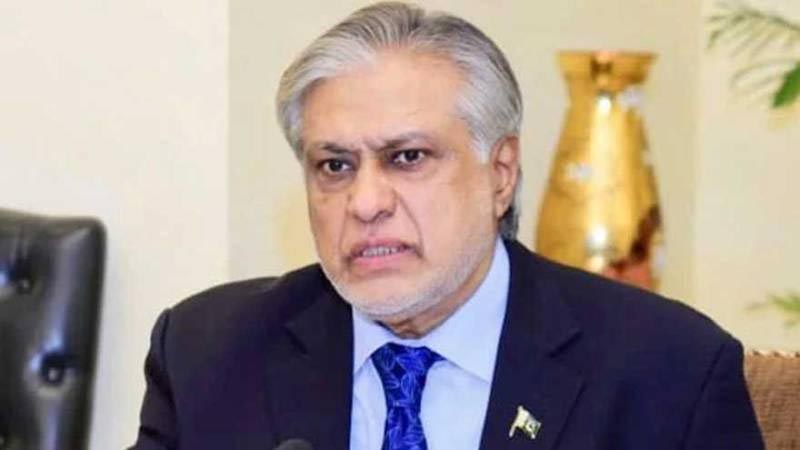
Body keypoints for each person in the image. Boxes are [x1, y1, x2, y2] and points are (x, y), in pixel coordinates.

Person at [130, 3, 763, 450]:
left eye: (407, 157)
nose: (365, 202)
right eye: (335, 165)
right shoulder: (207, 353)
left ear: (501, 174)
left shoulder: (666, 371)